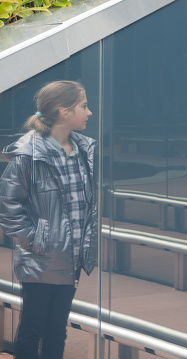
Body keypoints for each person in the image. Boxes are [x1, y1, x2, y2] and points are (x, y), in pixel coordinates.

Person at [0, 80, 98, 359]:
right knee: (33, 328)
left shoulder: (82, 151)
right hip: (41, 257)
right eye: (84, 106)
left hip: (72, 257)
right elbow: (8, 204)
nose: (89, 112)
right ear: (63, 111)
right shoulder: (29, 154)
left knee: (57, 329)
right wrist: (36, 241)